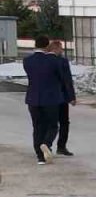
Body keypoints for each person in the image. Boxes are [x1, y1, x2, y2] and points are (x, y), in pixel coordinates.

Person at [23, 35, 73, 165]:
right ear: (47, 46)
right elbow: (63, 79)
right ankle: (46, 143)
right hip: (51, 99)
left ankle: (40, 157)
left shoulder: (27, 61)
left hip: (33, 99)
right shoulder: (54, 61)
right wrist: (69, 95)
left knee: (37, 127)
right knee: (52, 125)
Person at [48, 40, 76, 155]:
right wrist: (71, 97)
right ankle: (60, 146)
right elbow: (67, 80)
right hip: (62, 96)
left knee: (55, 122)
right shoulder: (62, 61)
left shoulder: (46, 60)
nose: (62, 50)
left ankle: (51, 145)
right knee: (63, 122)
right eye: (60, 48)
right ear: (55, 49)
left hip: (51, 97)